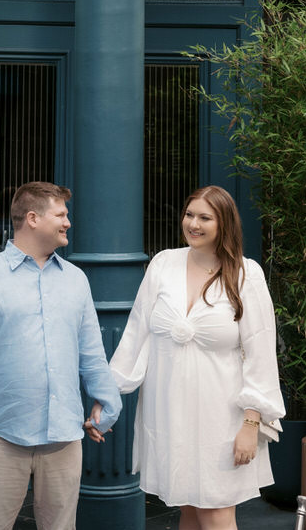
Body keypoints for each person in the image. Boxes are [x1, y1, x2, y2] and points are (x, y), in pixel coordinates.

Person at [0, 181, 121, 530]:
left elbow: (91, 352)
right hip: (4, 435)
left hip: (64, 436)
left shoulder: (76, 280)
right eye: (61, 214)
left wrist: (108, 403)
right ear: (32, 218)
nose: (68, 222)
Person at [106, 185, 285, 530]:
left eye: (205, 217)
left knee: (217, 512)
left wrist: (251, 424)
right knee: (187, 509)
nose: (193, 224)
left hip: (223, 417)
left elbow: (261, 354)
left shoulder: (246, 275)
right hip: (168, 412)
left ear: (225, 224)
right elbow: (136, 334)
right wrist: (109, 395)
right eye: (190, 215)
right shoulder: (163, 263)